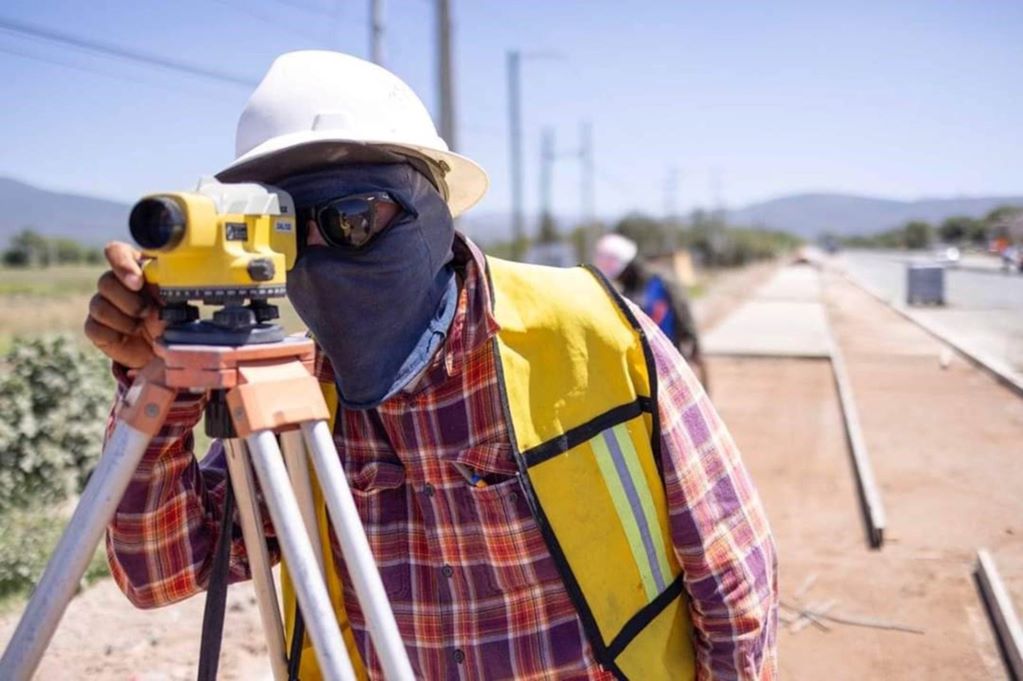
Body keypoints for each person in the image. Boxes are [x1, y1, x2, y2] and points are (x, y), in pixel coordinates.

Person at [85, 51, 776, 680]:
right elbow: (159, 569)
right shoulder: (294, 395)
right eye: (293, 230)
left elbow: (731, 580)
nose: (324, 254)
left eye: (353, 219)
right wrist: (161, 381)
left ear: (433, 208)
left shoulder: (590, 332)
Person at [593, 233, 708, 390]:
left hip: (670, 357)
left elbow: (683, 313)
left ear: (628, 267)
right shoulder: (625, 293)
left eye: (620, 275)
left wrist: (694, 343)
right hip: (644, 365)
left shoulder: (662, 282)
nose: (618, 279)